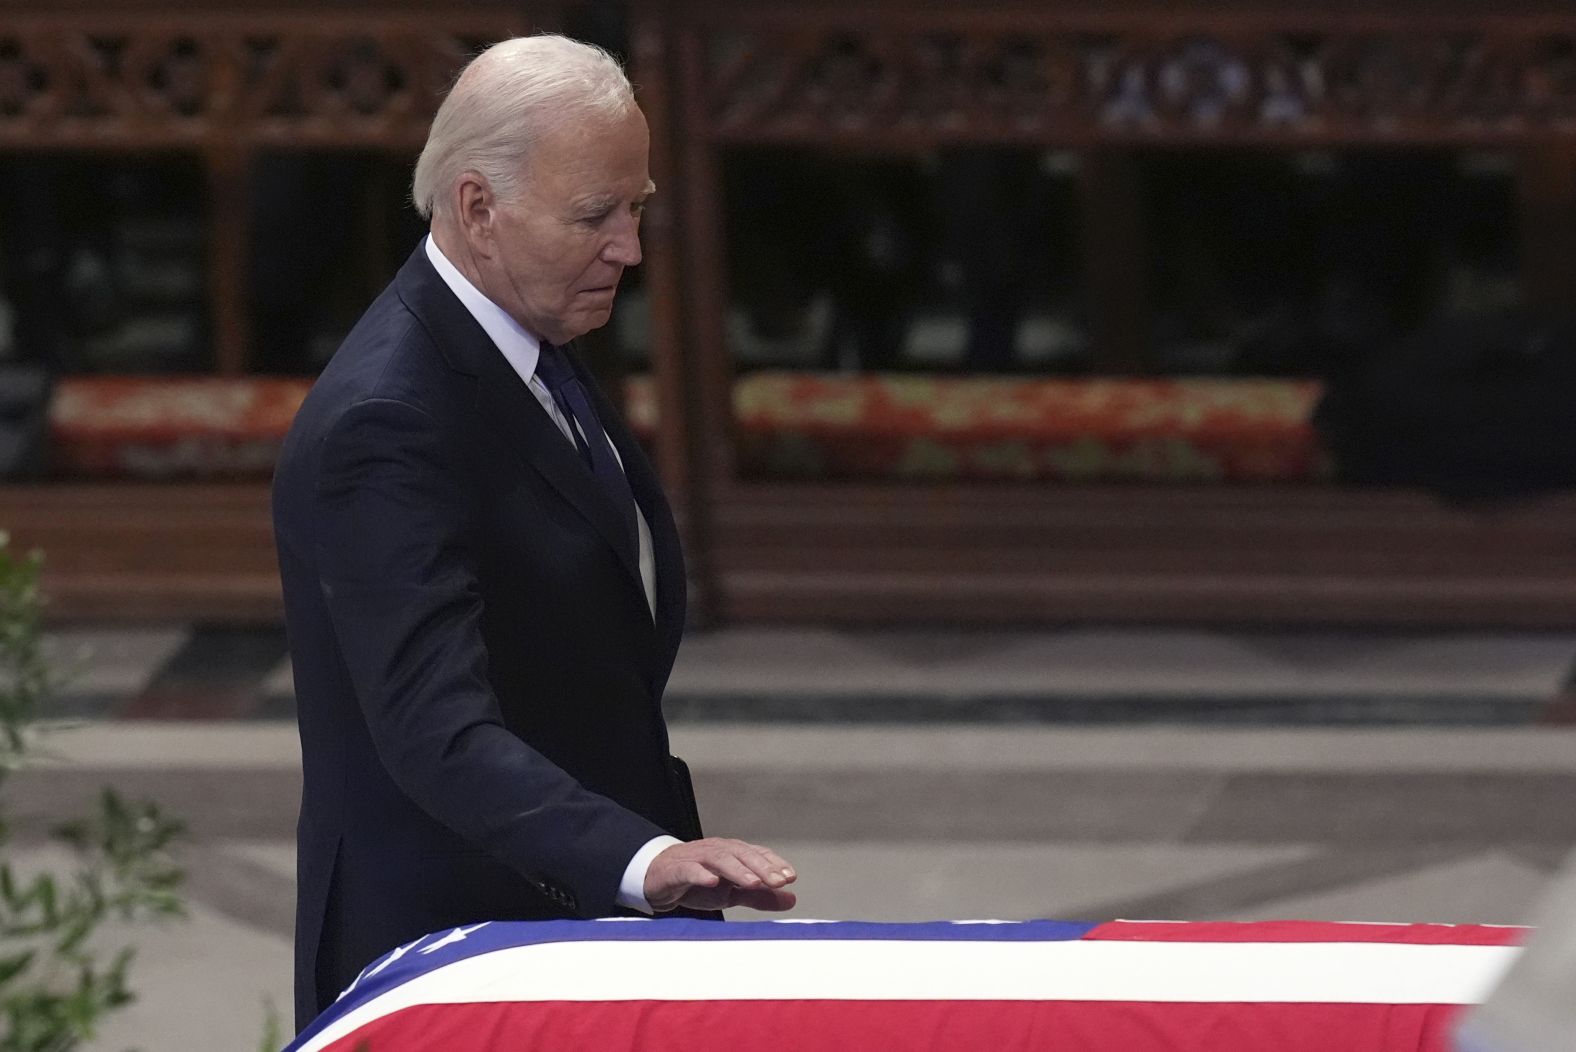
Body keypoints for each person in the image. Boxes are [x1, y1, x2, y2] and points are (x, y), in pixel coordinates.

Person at [271, 35, 797, 1033]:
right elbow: (438, 729)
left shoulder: (522, 332)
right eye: (595, 215)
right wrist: (642, 861)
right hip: (455, 946)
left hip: (575, 915)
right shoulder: (384, 421)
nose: (631, 249)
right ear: (478, 208)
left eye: (636, 206)